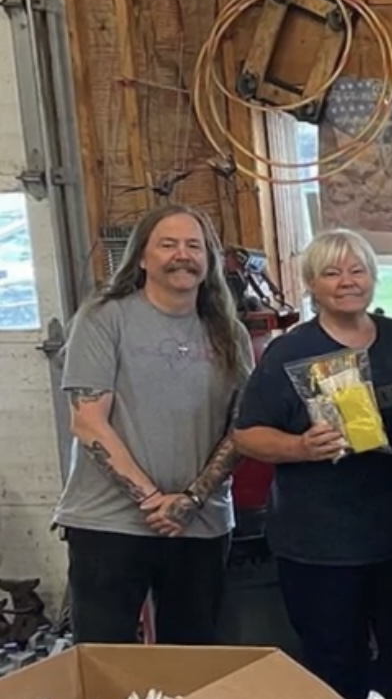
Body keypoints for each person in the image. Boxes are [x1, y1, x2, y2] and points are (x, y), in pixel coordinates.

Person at [233, 229, 392, 699]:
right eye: (332, 272)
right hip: (320, 548)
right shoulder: (289, 353)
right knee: (336, 667)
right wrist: (302, 446)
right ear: (311, 285)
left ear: (373, 278)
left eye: (357, 270)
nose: (347, 281)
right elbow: (247, 434)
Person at [55, 206, 251, 645]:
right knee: (106, 662)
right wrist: (153, 501)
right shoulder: (103, 318)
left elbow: (242, 427)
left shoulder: (228, 332)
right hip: (110, 522)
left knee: (192, 660)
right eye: (168, 244)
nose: (182, 255)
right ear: (141, 257)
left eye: (194, 246)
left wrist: (190, 500)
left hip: (201, 523)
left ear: (208, 262)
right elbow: (88, 422)